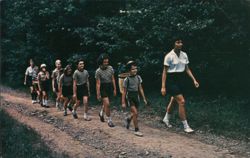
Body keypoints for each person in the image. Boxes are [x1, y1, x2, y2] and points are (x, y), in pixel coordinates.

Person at [161, 38, 199, 133]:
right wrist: (163, 86)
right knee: (181, 101)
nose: (180, 44)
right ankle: (186, 126)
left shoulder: (184, 54)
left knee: (174, 100)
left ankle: (166, 119)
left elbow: (187, 69)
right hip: (171, 80)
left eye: (181, 42)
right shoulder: (169, 56)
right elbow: (164, 72)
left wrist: (194, 80)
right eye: (178, 42)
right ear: (173, 44)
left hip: (181, 79)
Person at [122, 61, 147, 137]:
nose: (135, 70)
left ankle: (129, 119)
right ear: (129, 70)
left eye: (136, 68)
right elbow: (124, 92)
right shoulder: (127, 79)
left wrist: (144, 99)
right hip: (130, 97)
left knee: (135, 113)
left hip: (136, 96)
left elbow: (141, 89)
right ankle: (136, 130)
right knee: (135, 113)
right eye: (133, 69)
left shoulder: (138, 77)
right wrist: (123, 102)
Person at [95, 53, 117, 127]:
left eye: (107, 62)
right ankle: (109, 120)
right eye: (104, 62)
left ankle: (101, 113)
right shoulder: (98, 71)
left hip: (109, 86)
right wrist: (98, 94)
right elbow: (98, 83)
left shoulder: (110, 68)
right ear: (101, 62)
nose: (106, 63)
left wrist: (114, 89)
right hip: (103, 87)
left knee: (106, 104)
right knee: (107, 104)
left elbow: (113, 79)